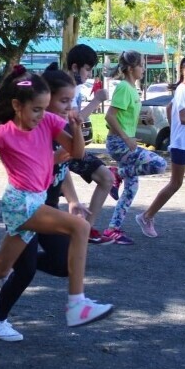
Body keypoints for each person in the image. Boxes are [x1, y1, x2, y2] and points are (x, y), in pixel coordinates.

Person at [0, 66, 113, 343]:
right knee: (79, 227)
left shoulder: (49, 122)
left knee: (1, 269)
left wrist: (76, 127)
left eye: (44, 109)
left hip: (37, 200)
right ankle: (77, 303)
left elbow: (77, 152)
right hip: (19, 203)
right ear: (17, 106)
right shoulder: (5, 132)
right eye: (36, 110)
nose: (41, 116)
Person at [102, 51, 167, 244]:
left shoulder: (132, 89)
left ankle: (112, 229)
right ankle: (117, 173)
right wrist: (126, 138)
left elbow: (124, 116)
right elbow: (109, 116)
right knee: (160, 164)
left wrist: (143, 119)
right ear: (131, 69)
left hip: (125, 142)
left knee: (131, 188)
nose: (143, 69)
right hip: (119, 143)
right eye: (141, 65)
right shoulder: (123, 87)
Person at [138, 58, 185, 238]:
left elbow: (170, 108)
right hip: (181, 143)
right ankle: (146, 216)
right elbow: (183, 118)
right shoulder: (183, 90)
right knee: (175, 183)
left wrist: (174, 127)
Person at [63, 44, 117, 244]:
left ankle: (86, 229)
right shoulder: (64, 88)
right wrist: (96, 101)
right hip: (57, 151)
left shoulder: (74, 88)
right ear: (75, 67)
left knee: (106, 178)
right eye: (87, 69)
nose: (89, 74)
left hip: (69, 149)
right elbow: (72, 120)